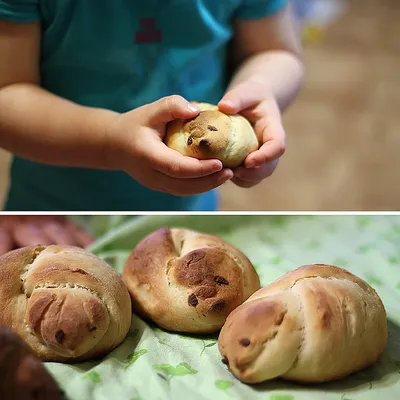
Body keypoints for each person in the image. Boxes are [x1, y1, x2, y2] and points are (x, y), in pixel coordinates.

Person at [0, 0, 303, 211]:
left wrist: (261, 88)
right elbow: (8, 94)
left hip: (187, 207)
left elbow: (275, 51)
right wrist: (111, 141)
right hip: (55, 209)